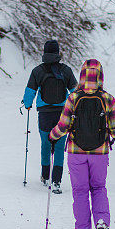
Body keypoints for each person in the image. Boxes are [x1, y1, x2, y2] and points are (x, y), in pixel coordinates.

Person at [48, 59, 115, 229]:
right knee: (98, 188)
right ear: (100, 76)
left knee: (80, 192)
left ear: (82, 76)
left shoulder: (73, 98)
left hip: (76, 152)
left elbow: (63, 126)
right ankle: (102, 221)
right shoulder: (108, 99)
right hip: (100, 153)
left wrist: (52, 135)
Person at [21, 40, 78, 194]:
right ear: (58, 53)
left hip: (44, 114)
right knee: (59, 147)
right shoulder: (66, 70)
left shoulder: (37, 71)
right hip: (62, 114)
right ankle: (57, 181)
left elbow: (30, 91)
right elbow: (75, 92)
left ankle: (45, 176)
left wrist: (27, 104)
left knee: (46, 144)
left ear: (44, 52)